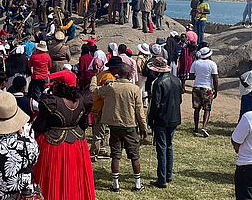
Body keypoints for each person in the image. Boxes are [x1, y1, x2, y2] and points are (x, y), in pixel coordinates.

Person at [31, 70, 99, 200]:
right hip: (77, 146)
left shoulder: (51, 103)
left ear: (58, 85)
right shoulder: (83, 100)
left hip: (53, 147)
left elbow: (39, 126)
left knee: (52, 187)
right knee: (76, 187)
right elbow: (84, 124)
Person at [90, 63, 147, 192]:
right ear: (128, 74)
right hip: (130, 126)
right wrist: (143, 127)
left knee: (116, 155)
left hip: (114, 126)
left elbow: (94, 90)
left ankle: (115, 184)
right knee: (134, 155)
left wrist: (94, 77)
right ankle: (137, 184)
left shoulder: (111, 87)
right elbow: (139, 111)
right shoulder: (134, 89)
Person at [147, 57, 182, 189]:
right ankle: (168, 174)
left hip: (162, 118)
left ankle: (162, 179)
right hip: (174, 117)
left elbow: (155, 105)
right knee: (169, 146)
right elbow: (179, 100)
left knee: (161, 147)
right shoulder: (176, 80)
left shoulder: (158, 83)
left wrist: (151, 120)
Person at [189, 47, 219, 137]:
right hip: (207, 88)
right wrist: (216, 90)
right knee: (207, 109)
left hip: (196, 87)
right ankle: (204, 127)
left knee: (196, 109)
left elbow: (191, 76)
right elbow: (215, 78)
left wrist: (199, 75)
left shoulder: (195, 63)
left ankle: (196, 127)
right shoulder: (212, 64)